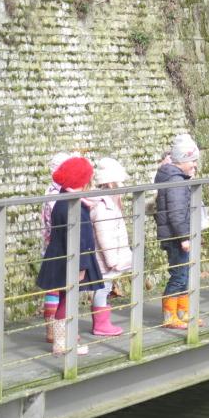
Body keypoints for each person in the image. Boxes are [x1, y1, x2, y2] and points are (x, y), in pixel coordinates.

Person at [36, 156, 102, 356]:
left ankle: (65, 340)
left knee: (66, 298)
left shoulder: (64, 199)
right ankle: (62, 343)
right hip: (71, 259)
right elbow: (79, 237)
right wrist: (81, 266)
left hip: (61, 256)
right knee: (68, 299)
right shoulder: (72, 206)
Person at [154, 133, 200, 329]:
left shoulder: (176, 176)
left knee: (185, 275)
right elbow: (176, 212)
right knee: (179, 275)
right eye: (192, 161)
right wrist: (184, 237)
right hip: (176, 237)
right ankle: (169, 315)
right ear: (182, 160)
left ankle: (182, 311)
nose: (195, 166)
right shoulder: (176, 181)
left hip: (177, 235)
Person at [88, 157, 133, 336]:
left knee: (104, 288)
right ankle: (100, 324)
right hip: (104, 258)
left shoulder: (104, 201)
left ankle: (102, 322)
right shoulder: (104, 205)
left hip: (104, 256)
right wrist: (112, 259)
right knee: (102, 288)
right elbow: (104, 235)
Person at [40, 151, 78, 343]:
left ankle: (54, 329)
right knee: (58, 290)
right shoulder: (58, 195)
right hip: (58, 247)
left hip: (50, 246)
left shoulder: (51, 191)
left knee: (54, 290)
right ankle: (55, 330)